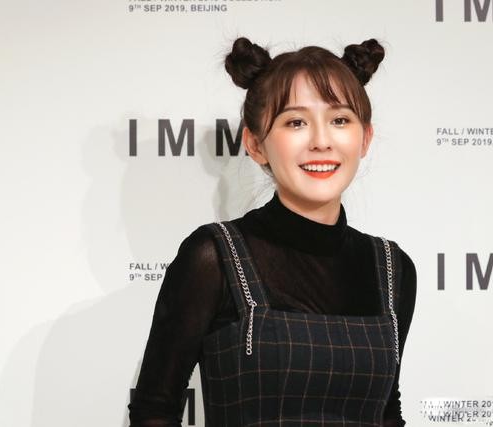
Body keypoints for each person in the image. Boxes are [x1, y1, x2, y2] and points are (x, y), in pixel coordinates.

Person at [128, 36, 417, 426]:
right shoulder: (213, 257)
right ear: (255, 144)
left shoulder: (393, 268)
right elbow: (154, 411)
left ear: (364, 138)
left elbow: (387, 412)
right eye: (296, 122)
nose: (321, 141)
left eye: (340, 120)